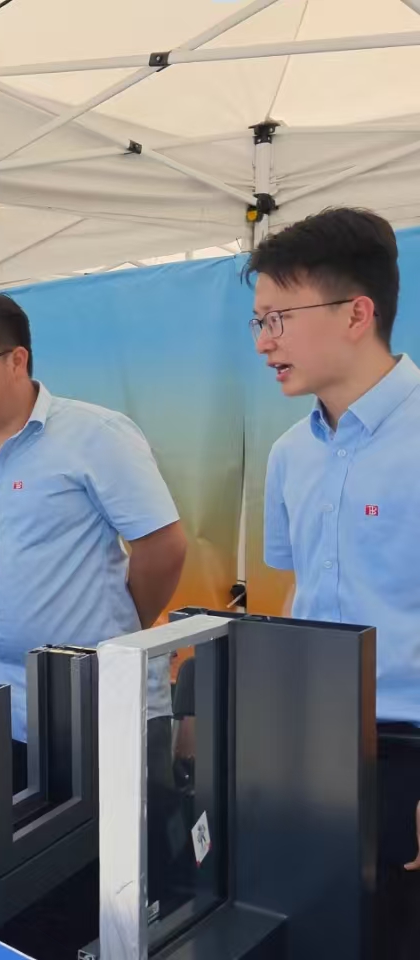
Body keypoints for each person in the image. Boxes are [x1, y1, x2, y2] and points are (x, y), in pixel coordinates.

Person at [0, 291, 187, 787]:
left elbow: (162, 545)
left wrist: (124, 624)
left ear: (16, 360)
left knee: (106, 838)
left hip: (92, 701)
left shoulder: (95, 434)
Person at [250, 206, 420, 955]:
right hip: (310, 752)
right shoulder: (291, 453)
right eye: (258, 322)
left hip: (407, 757)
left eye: (279, 319)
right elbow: (299, 594)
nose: (264, 342)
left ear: (357, 313)